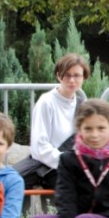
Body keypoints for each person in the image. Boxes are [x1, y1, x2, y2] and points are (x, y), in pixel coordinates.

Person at [16, 53, 88, 190]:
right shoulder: (46, 102)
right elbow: (39, 147)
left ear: (83, 77)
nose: (72, 80)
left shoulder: (83, 105)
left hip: (70, 168)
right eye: (67, 75)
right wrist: (68, 163)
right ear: (58, 76)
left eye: (77, 75)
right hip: (48, 167)